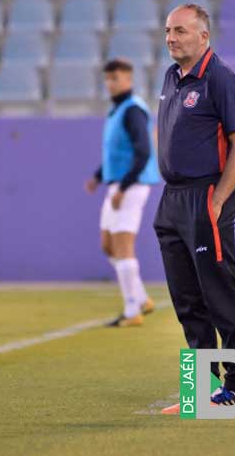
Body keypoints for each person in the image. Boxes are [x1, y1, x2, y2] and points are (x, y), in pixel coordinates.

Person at [155, 4, 235, 413]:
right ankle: (198, 391)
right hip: (172, 200)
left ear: (203, 36)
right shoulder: (171, 77)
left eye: (180, 30)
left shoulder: (220, 78)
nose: (171, 38)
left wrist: (217, 199)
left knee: (219, 294)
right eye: (167, 31)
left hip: (205, 197)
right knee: (187, 301)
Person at [85, 59, 160, 328]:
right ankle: (141, 298)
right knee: (108, 245)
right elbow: (119, 152)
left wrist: (125, 187)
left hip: (131, 185)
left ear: (128, 80)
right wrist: (97, 176)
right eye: (107, 79)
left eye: (115, 78)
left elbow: (143, 152)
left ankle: (132, 312)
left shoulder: (133, 111)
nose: (110, 83)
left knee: (123, 245)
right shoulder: (117, 110)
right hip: (117, 183)